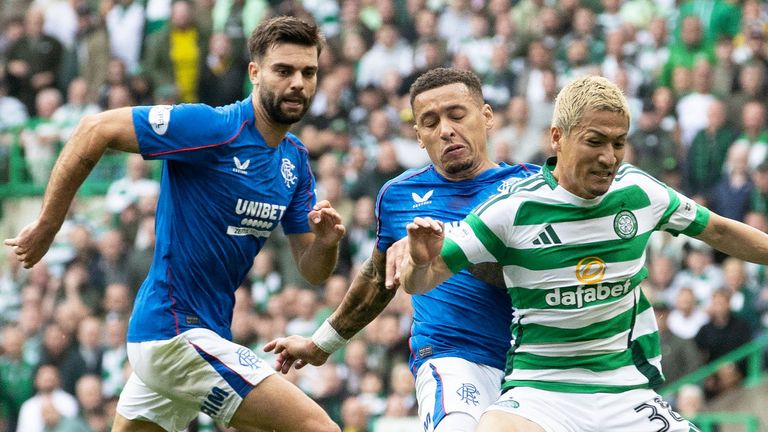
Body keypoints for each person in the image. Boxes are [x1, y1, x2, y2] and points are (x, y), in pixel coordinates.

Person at [5, 16, 345, 432]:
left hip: (196, 336)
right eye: (284, 70)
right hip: (175, 333)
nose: (298, 83)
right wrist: (48, 224)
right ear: (254, 73)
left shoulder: (294, 160)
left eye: (308, 72)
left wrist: (327, 242)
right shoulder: (215, 128)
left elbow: (312, 270)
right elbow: (94, 128)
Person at [391, 75, 768, 432]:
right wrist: (420, 261)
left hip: (625, 390)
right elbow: (422, 280)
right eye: (595, 142)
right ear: (558, 137)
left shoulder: (640, 194)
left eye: (618, 143)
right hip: (541, 392)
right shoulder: (511, 210)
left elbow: (719, 230)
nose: (609, 157)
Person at [264, 67, 539, 432]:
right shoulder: (397, 196)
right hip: (451, 358)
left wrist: (447, 251)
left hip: (535, 365)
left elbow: (547, 277)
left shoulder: (532, 189)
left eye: (457, 115)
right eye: (430, 122)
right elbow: (379, 279)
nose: (445, 130)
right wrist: (321, 345)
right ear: (419, 136)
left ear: (486, 116)